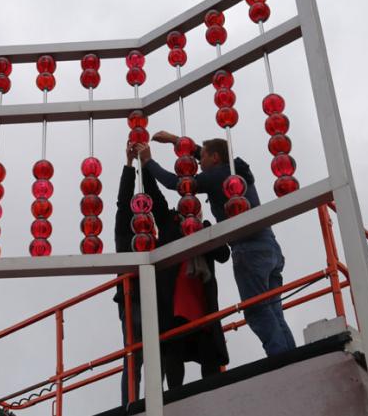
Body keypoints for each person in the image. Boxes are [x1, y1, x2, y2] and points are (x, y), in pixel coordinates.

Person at [136, 132, 296, 357]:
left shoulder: (217, 175)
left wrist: (148, 161)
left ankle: (280, 358)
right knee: (273, 309)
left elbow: (177, 184)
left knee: (257, 310)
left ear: (216, 158)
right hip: (269, 247)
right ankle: (291, 355)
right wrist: (175, 141)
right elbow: (203, 154)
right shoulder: (235, 173)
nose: (199, 164)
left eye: (204, 159)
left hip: (248, 249)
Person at [114, 142, 230, 408]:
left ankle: (213, 403)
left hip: (201, 308)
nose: (191, 206)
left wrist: (204, 232)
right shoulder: (169, 226)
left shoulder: (204, 229)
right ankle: (166, 403)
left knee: (207, 357)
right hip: (171, 306)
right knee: (165, 356)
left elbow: (223, 254)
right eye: (186, 204)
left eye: (196, 204)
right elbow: (152, 198)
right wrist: (142, 165)